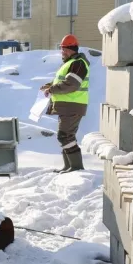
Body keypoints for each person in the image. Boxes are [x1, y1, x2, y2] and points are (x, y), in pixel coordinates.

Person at [40, 34, 90, 174]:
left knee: (65, 135)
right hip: (68, 106)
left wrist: (52, 89)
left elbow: (71, 84)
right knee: (66, 135)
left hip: (72, 105)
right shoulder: (71, 63)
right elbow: (64, 81)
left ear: (68, 49)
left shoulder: (78, 63)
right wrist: (50, 85)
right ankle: (69, 167)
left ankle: (75, 168)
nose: (61, 53)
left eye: (62, 50)